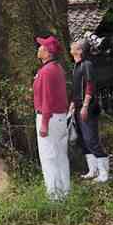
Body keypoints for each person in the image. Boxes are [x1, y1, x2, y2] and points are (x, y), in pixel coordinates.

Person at [33, 35, 70, 200]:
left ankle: (55, 196)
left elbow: (47, 98)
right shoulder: (57, 68)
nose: (39, 48)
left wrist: (44, 123)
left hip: (49, 117)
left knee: (49, 158)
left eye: (41, 47)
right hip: (60, 117)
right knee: (61, 156)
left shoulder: (47, 71)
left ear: (47, 52)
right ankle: (64, 192)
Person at [69, 39, 109, 182]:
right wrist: (73, 104)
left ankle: (104, 173)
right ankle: (92, 170)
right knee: (83, 140)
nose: (71, 46)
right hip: (78, 106)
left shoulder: (87, 64)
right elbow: (76, 89)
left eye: (75, 45)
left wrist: (85, 105)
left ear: (80, 51)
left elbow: (89, 85)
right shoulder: (76, 66)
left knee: (91, 139)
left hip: (88, 107)